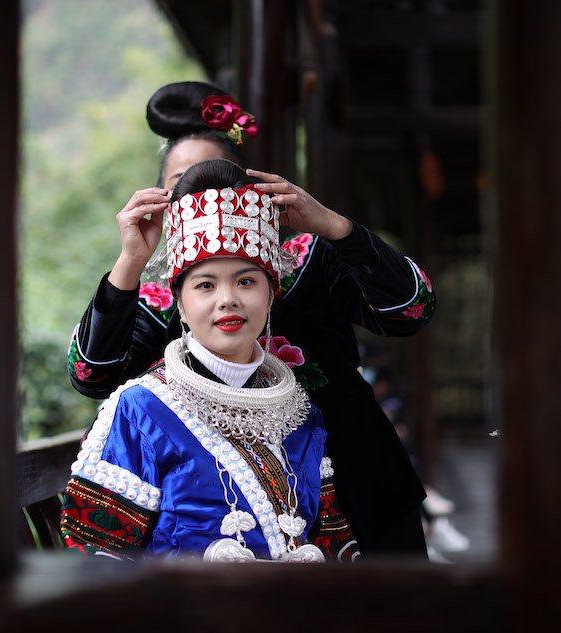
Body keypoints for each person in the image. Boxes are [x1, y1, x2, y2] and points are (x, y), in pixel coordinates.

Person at [67, 81, 437, 555]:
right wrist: (129, 264)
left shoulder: (306, 258)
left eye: (218, 182)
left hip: (364, 490)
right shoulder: (161, 296)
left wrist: (334, 227)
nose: (203, 198)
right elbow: (91, 375)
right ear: (161, 197)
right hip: (240, 533)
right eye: (183, 184)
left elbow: (412, 310)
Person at [60, 160, 359, 561]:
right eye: (205, 285)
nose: (227, 299)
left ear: (271, 297)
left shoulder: (298, 412)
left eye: (246, 281)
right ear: (179, 306)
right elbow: (97, 558)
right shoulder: (140, 409)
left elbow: (334, 546)